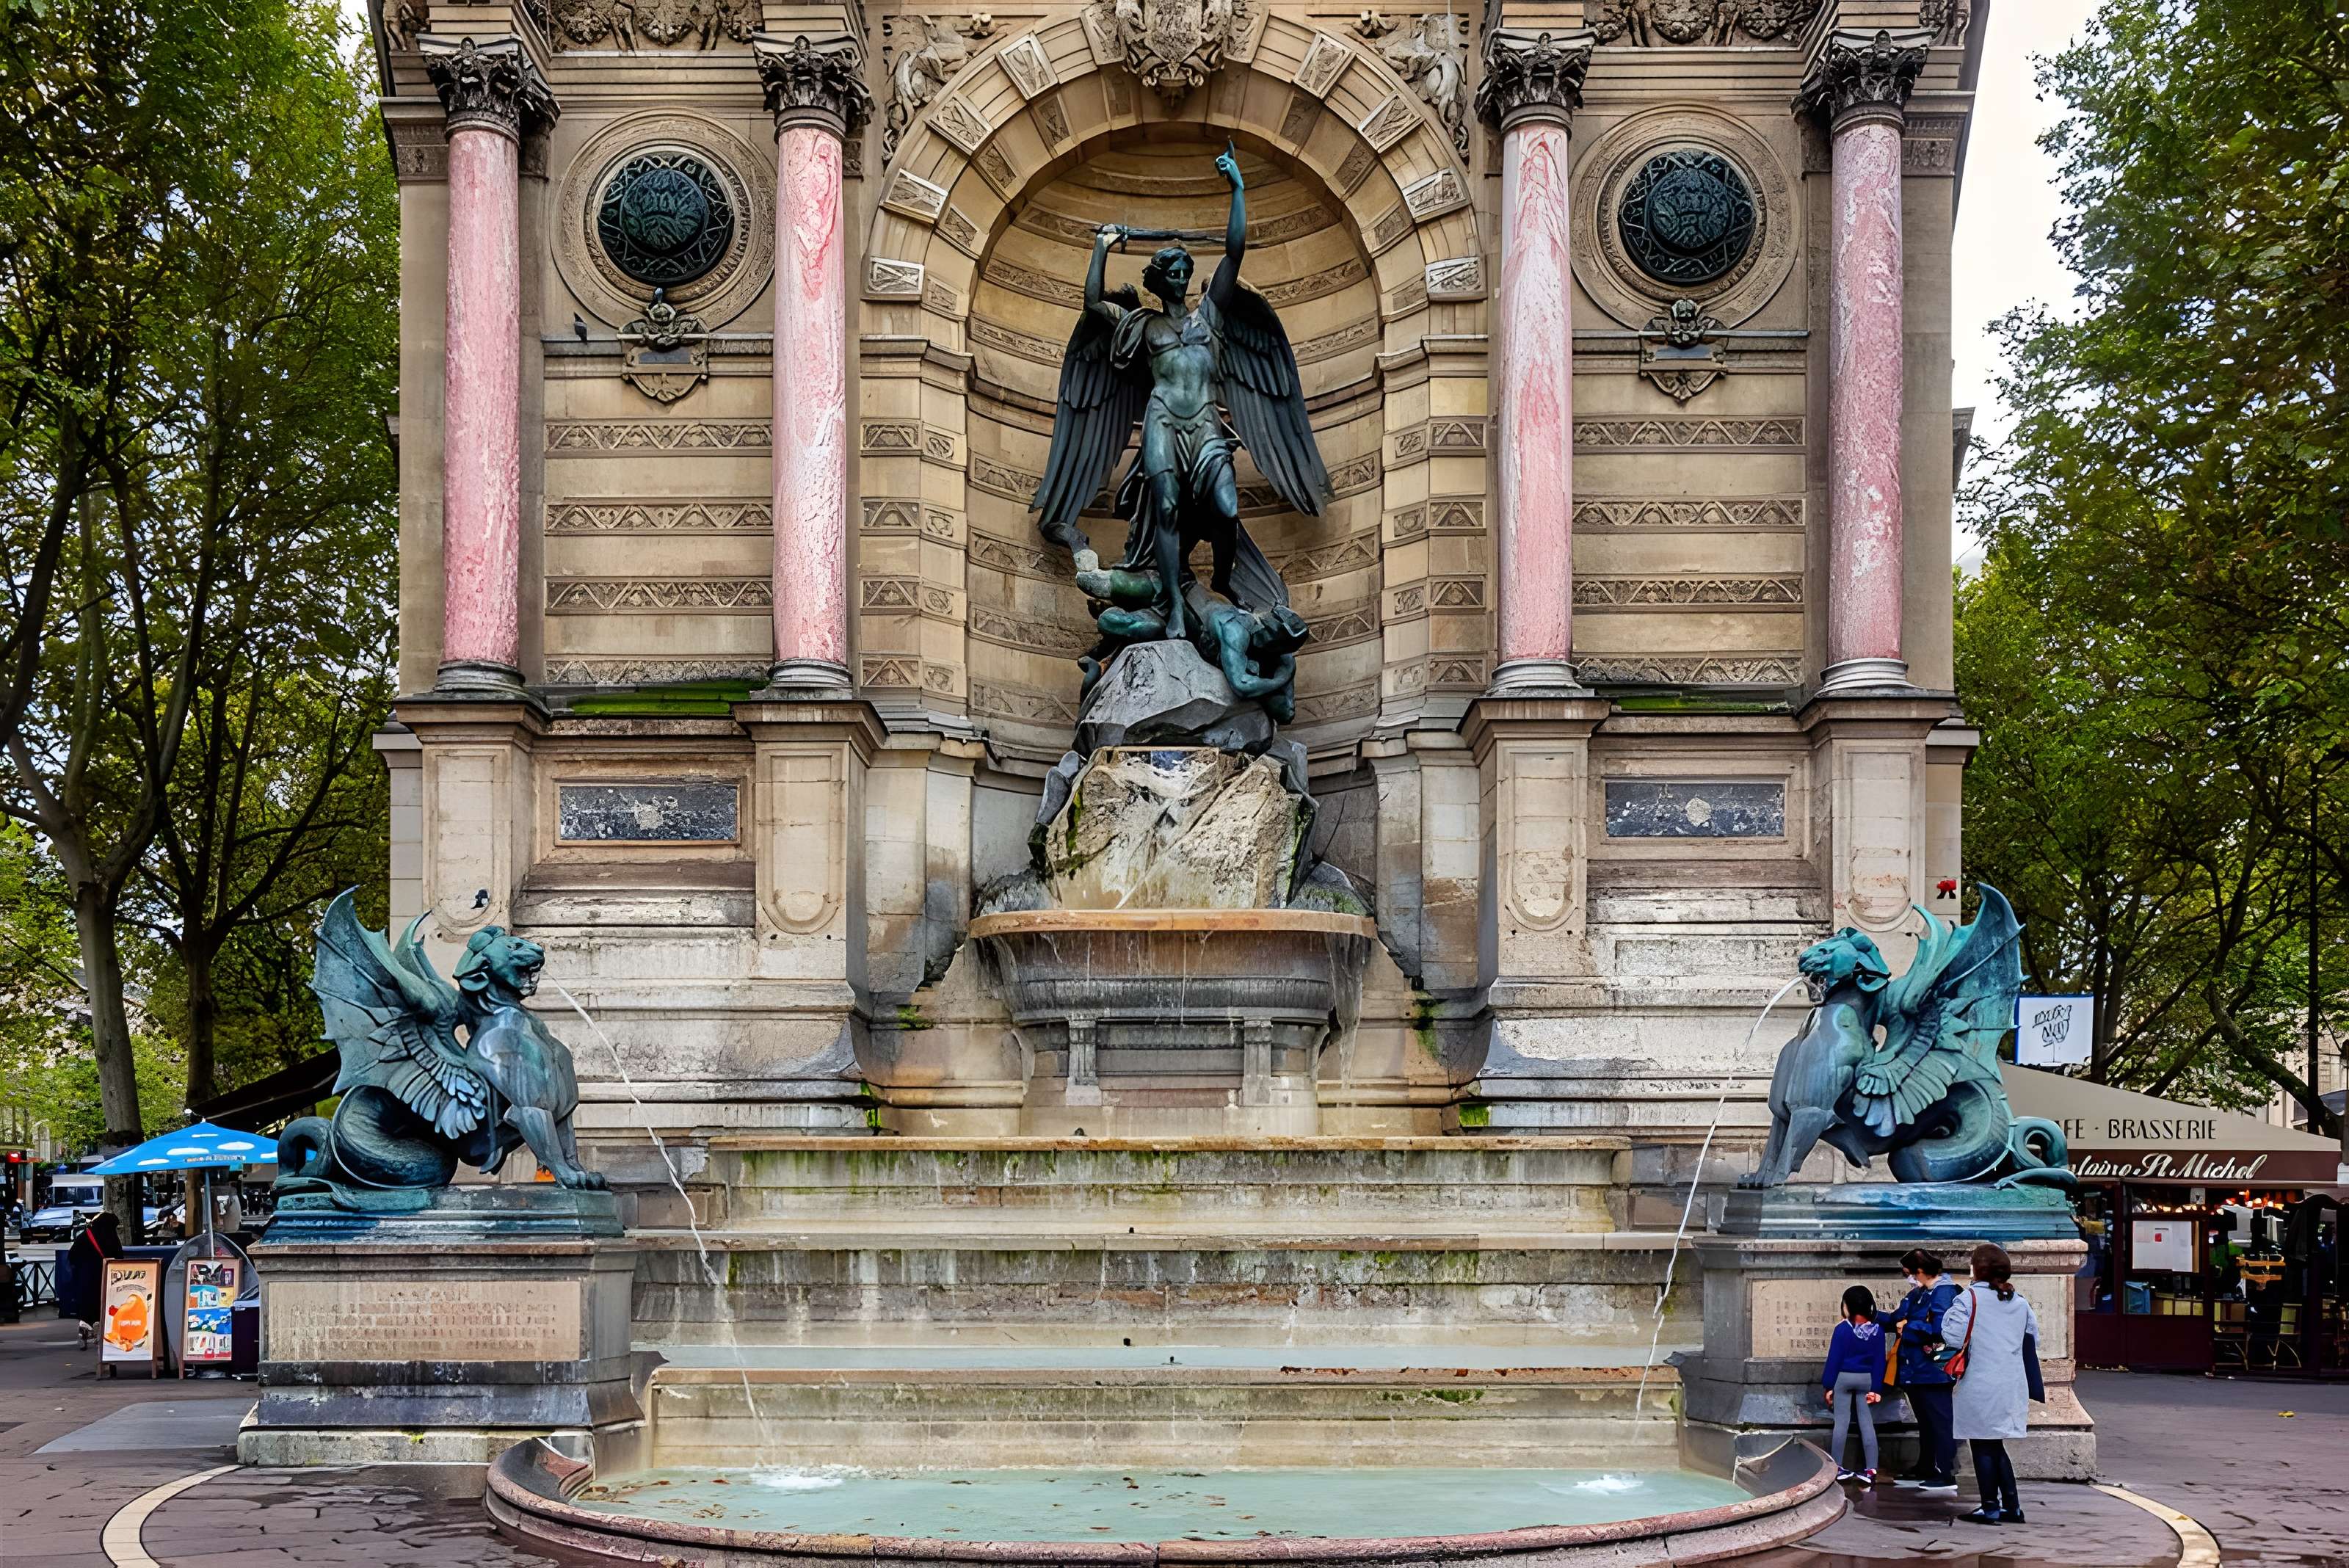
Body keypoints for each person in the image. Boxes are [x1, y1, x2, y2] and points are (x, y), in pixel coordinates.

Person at [1942, 1242, 2045, 1525]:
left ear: (1976, 1269)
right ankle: (2012, 1506)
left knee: (1982, 1444)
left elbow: (1952, 1335)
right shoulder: (2019, 1302)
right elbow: (2032, 1338)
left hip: (1980, 1382)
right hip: (2011, 1383)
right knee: (1995, 1443)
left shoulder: (1969, 1299)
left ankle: (1990, 1507)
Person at [1884, 1247, 1961, 1492]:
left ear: (1919, 1271)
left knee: (1940, 1422)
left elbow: (1941, 1329)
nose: (1908, 1278)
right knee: (1927, 1422)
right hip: (1917, 1370)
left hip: (1934, 1371)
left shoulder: (1943, 1292)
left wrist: (1909, 1327)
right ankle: (1926, 1466)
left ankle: (1946, 1472)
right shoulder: (1920, 1293)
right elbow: (1897, 1318)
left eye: (1908, 1273)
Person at [1819, 1283, 1887, 1482]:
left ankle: (1837, 1468)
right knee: (1867, 1423)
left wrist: (1828, 1386)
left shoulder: (1842, 1330)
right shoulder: (1878, 1331)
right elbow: (1879, 1361)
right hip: (1867, 1379)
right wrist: (1876, 1389)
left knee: (1841, 1424)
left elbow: (1834, 1359)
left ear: (1846, 1307)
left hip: (1843, 1378)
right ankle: (1871, 1469)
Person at [64, 1211, 124, 1349]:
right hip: (104, 1279)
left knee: (86, 1309)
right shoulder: (111, 1238)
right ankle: (101, 1338)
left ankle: (83, 1334)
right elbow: (119, 1258)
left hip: (84, 1280)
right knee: (104, 1308)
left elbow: (72, 1256)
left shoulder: (85, 1236)